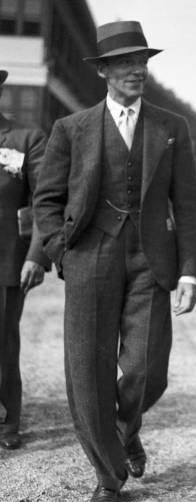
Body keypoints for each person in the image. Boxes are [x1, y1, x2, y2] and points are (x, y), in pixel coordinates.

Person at [33, 21, 196, 502]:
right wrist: (60, 250)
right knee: (87, 374)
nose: (137, 71)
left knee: (148, 369)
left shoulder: (172, 127)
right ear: (104, 70)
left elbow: (187, 205)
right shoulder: (72, 129)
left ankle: (126, 431)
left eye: (143, 62)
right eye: (126, 63)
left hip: (152, 258)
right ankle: (110, 475)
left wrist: (190, 270)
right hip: (90, 256)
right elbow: (47, 199)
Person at [0, 69, 50, 450]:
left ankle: (6, 419)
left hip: (5, 261)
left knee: (2, 339)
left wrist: (36, 254)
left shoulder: (25, 140)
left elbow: (43, 201)